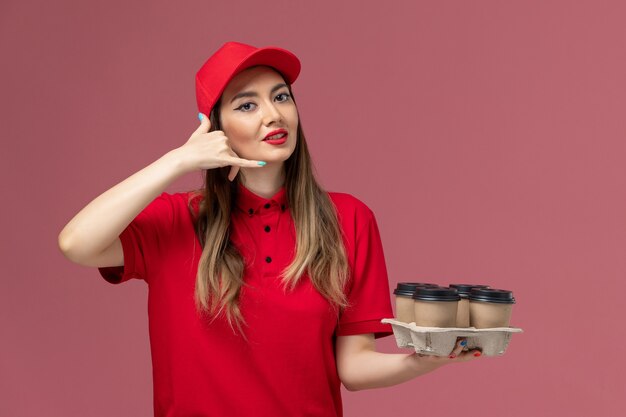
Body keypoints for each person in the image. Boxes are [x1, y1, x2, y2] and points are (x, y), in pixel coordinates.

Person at [58, 41, 481, 417]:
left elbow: (352, 367)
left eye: (281, 97)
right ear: (215, 129)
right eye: (247, 105)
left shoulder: (349, 219)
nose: (274, 114)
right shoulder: (176, 220)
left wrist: (426, 359)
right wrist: (177, 161)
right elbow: (77, 242)